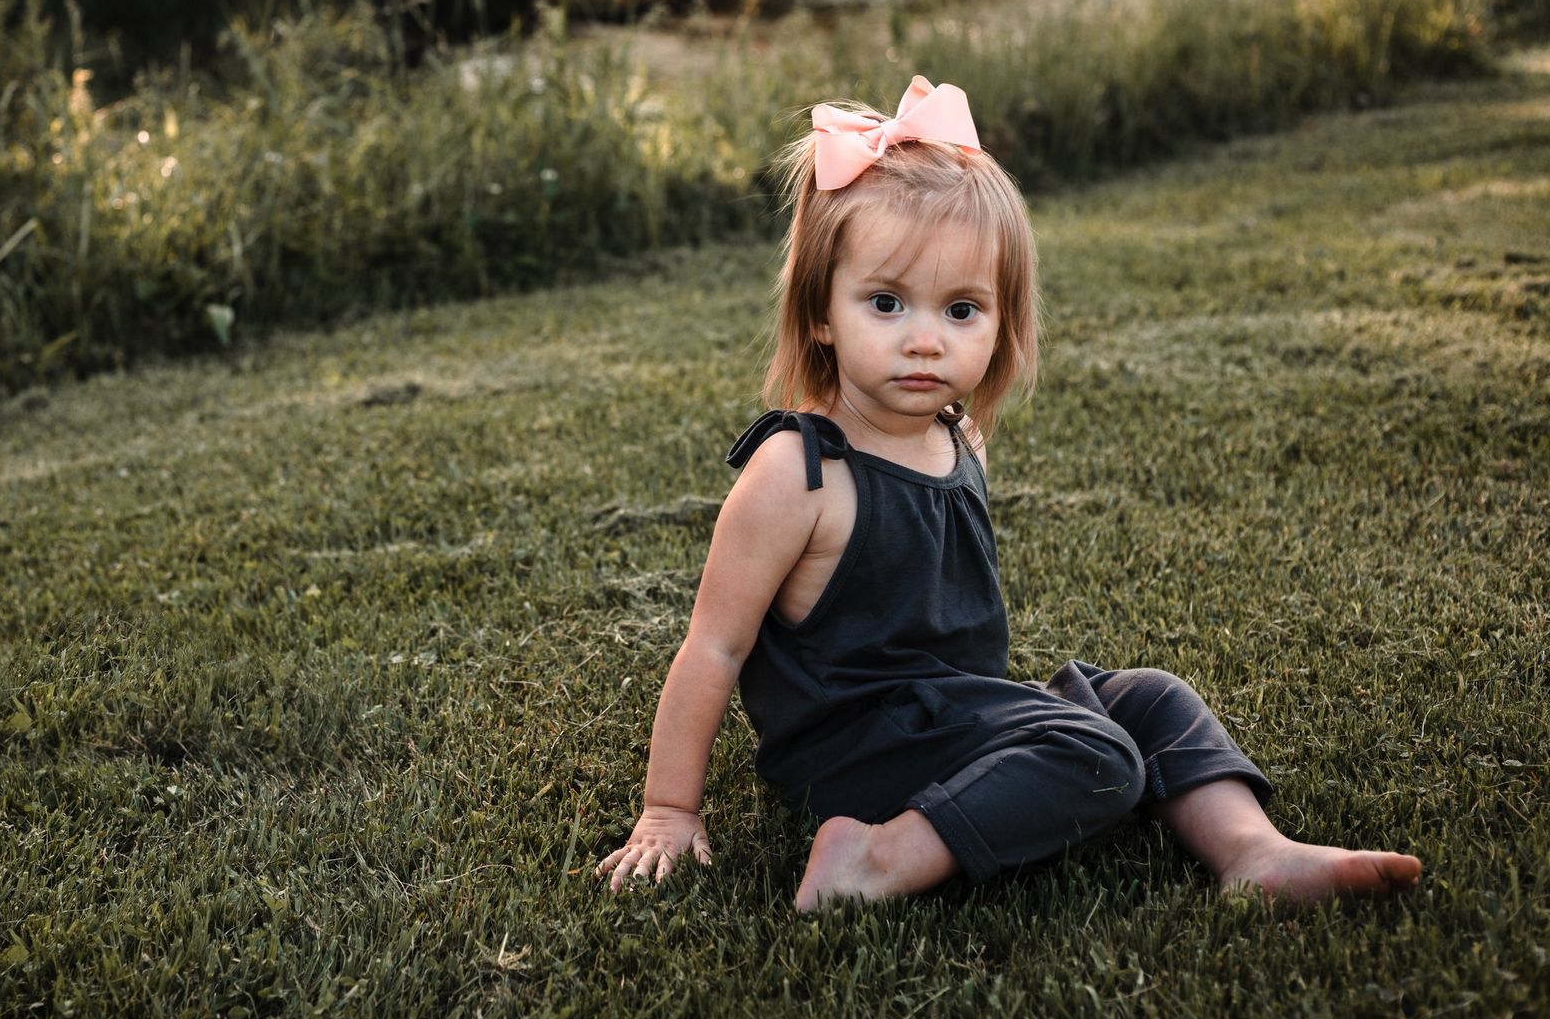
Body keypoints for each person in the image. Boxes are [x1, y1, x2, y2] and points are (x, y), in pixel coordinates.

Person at [595, 77, 1424, 911]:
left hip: (953, 716)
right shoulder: (800, 472)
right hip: (857, 753)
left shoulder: (960, 439)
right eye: (885, 303)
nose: (925, 340)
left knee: (1152, 697)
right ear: (821, 312)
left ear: (1001, 322)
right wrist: (669, 809)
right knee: (1097, 757)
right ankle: (876, 858)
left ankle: (1254, 853)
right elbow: (714, 649)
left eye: (962, 310)